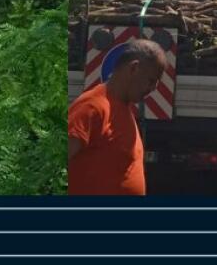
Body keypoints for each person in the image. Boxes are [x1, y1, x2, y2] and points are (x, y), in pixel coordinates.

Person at [68, 38, 167, 195]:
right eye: (151, 80)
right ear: (133, 69)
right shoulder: (92, 107)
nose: (153, 88)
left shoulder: (123, 108)